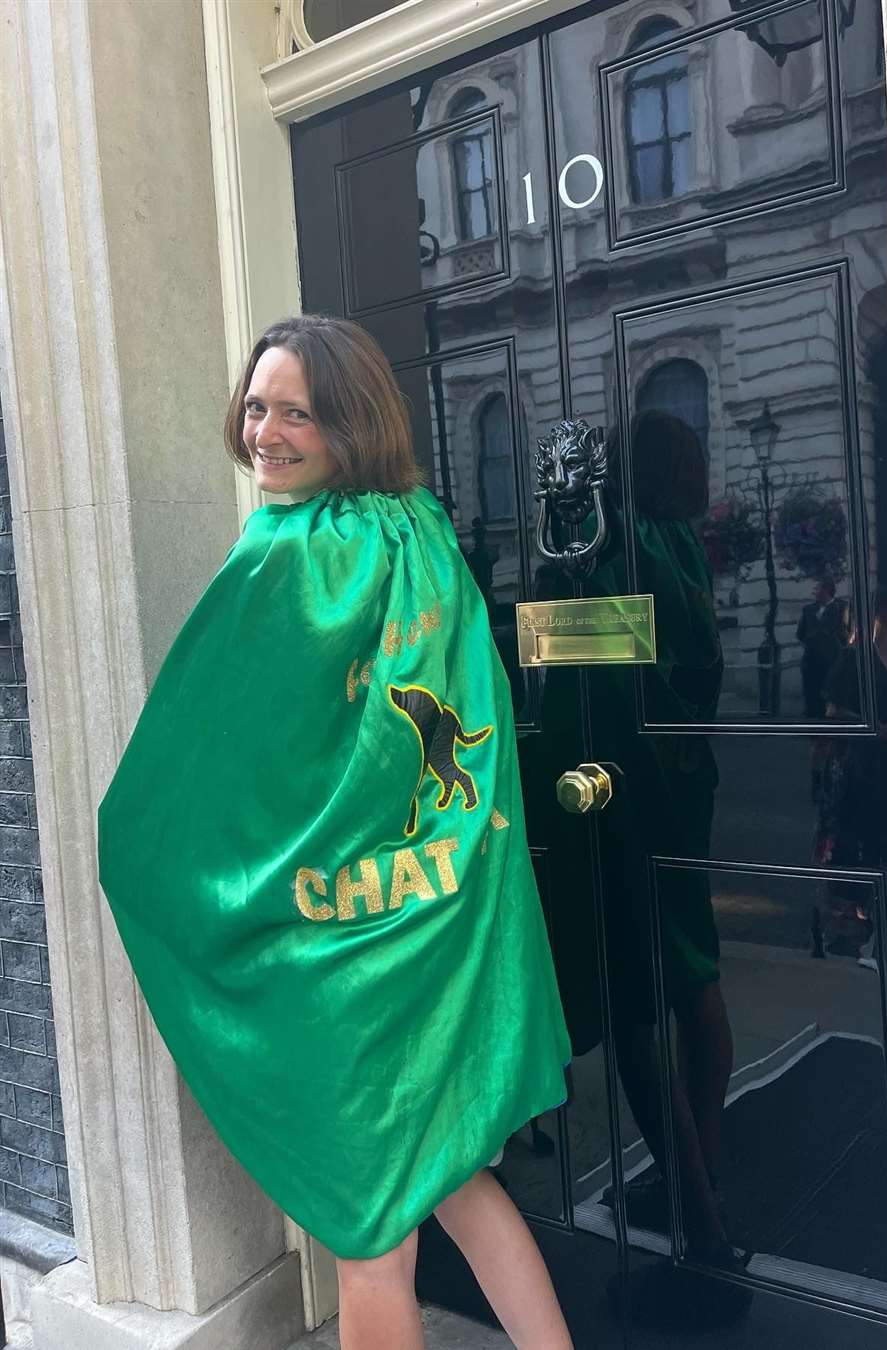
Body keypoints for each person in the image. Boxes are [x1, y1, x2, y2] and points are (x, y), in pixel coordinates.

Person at [96, 316, 574, 1350]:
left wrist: (152, 845)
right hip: (440, 911)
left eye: (297, 413)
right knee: (453, 1174)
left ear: (348, 425)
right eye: (258, 404)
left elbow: (231, 751)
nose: (265, 431)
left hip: (343, 943)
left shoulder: (292, 555)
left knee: (367, 1231)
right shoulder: (421, 530)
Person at [796, 577, 846, 717]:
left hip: (832, 659)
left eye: (816, 588)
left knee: (830, 695)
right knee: (811, 694)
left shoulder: (840, 608)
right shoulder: (808, 610)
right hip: (811, 660)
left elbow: (845, 633)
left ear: (826, 590)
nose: (813, 592)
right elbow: (800, 633)